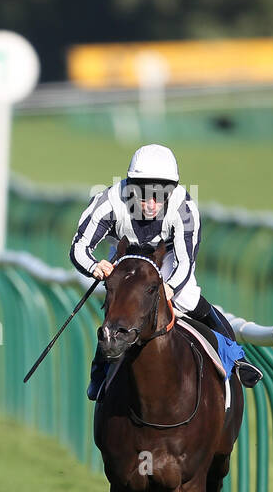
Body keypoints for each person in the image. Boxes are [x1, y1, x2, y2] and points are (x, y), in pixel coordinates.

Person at [70, 144, 262, 400]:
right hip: (124, 254)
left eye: (160, 194)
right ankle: (100, 371)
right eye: (142, 193)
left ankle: (237, 358)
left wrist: (168, 288)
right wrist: (94, 266)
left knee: (188, 299)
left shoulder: (184, 208)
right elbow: (79, 247)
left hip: (167, 257)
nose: (151, 203)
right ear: (129, 185)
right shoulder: (108, 202)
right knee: (119, 309)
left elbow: (186, 263)